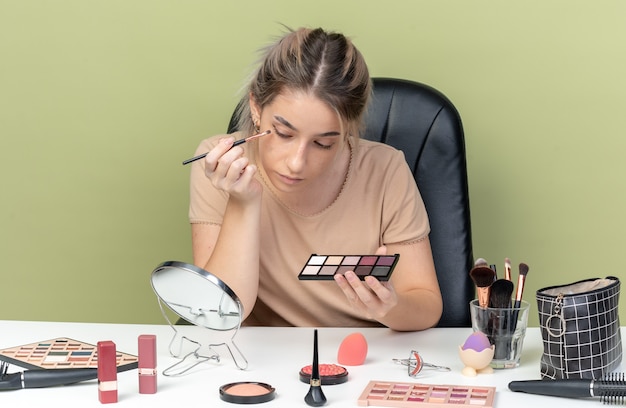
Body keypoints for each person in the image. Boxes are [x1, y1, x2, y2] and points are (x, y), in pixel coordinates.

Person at [188, 27, 442, 331]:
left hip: (366, 357)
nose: (297, 163)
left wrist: (391, 307)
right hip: (266, 360)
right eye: (283, 134)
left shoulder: (386, 169)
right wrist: (243, 202)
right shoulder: (221, 164)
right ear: (256, 107)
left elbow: (427, 305)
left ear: (350, 129)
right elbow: (220, 314)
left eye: (323, 144)